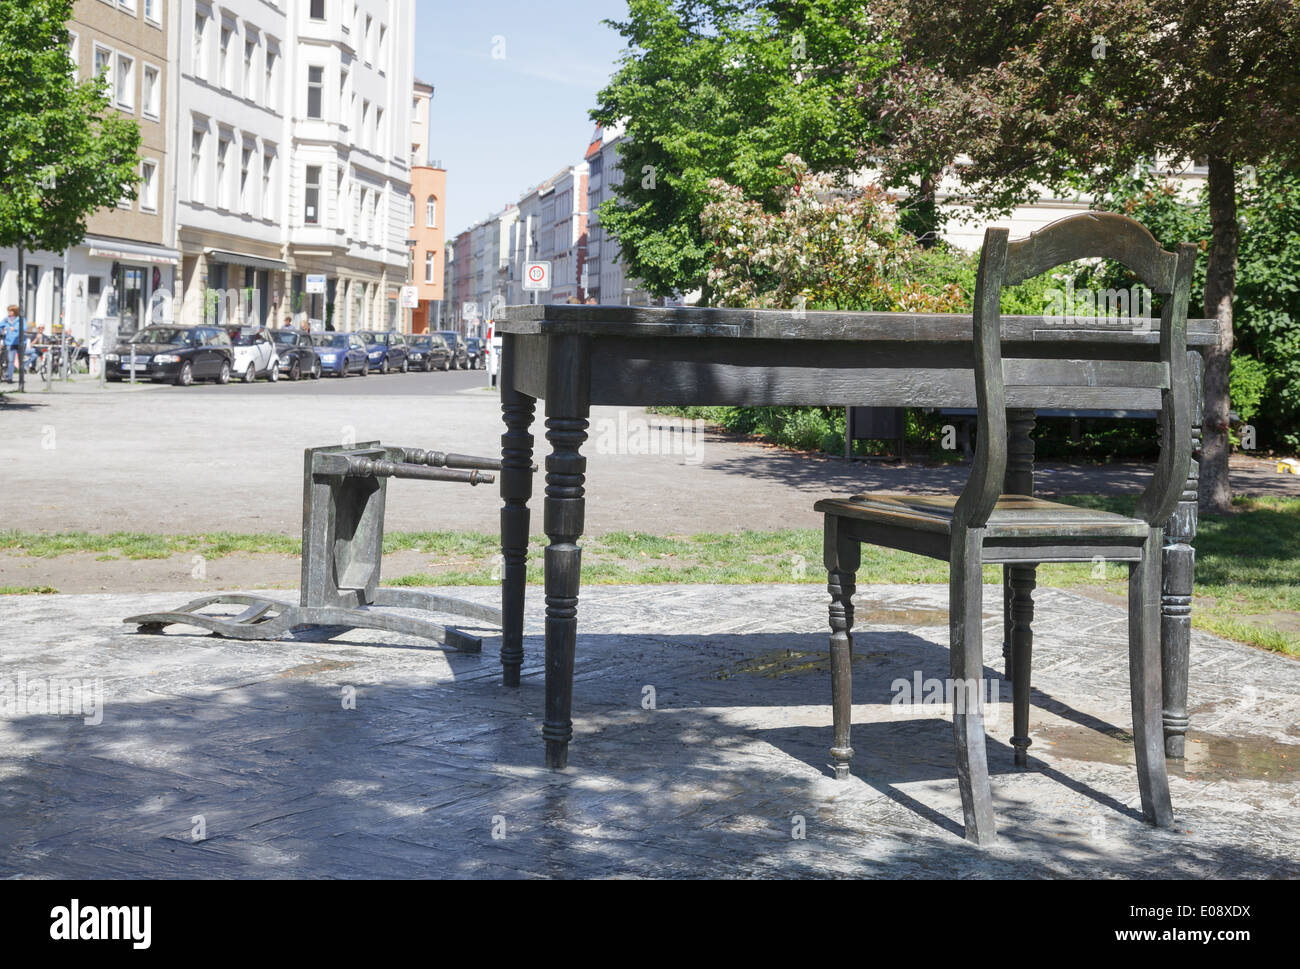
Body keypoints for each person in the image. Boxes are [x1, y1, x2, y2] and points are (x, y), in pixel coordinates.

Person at [2, 305, 22, 382]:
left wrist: (15, 328)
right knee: (10, 360)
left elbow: (23, 328)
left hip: (20, 342)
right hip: (9, 342)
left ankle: (21, 377)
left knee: (21, 360)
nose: (9, 312)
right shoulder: (6, 319)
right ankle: (9, 378)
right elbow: (0, 326)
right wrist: (2, 331)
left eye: (11, 311)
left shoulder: (20, 319)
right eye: (8, 311)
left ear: (15, 312)